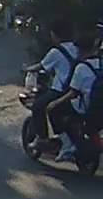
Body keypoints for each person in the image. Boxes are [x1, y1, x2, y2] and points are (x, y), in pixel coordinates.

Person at [49, 30, 103, 163]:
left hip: (87, 109)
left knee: (54, 110)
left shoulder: (81, 68)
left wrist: (55, 102)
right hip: (99, 107)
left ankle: (67, 145)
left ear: (80, 50)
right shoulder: (101, 63)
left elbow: (72, 93)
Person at [25, 19, 78, 154]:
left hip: (60, 91)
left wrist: (27, 69)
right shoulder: (77, 48)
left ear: (55, 34)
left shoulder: (56, 52)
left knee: (37, 106)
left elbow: (41, 66)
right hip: (77, 89)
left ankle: (42, 138)